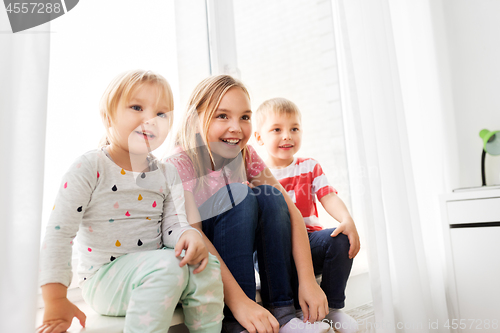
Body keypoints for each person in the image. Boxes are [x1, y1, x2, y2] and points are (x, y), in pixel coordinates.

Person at [38, 70, 223, 333]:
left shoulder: (167, 173)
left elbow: (172, 225)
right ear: (107, 117)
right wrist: (55, 299)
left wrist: (188, 234)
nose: (151, 120)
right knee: (167, 266)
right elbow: (59, 233)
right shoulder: (89, 167)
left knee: (207, 266)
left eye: (161, 114)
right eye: (137, 107)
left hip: (157, 269)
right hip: (104, 281)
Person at [166, 75, 331, 333]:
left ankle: (284, 312)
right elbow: (193, 233)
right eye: (222, 116)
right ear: (194, 119)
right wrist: (240, 302)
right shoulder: (180, 163)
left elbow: (292, 211)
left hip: (237, 251)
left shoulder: (246, 154)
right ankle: (234, 321)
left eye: (244, 117)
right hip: (204, 263)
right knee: (239, 194)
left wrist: (308, 281)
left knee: (269, 195)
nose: (237, 127)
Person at [253, 97, 360, 333]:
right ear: (259, 137)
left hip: (309, 243)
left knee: (340, 238)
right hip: (275, 250)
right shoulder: (257, 175)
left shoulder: (309, 166)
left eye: (294, 129)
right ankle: (289, 317)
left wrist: (346, 219)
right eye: (277, 130)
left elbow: (328, 196)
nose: (287, 136)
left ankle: (330, 309)